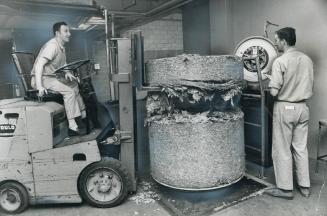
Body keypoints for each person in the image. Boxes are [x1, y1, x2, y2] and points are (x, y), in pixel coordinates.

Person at [265, 27, 314, 199]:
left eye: (277, 40)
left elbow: (273, 92)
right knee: (301, 148)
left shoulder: (280, 61)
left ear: (284, 41)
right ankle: (305, 186)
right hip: (302, 108)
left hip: (285, 108)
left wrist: (270, 77)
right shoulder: (307, 59)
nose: (275, 43)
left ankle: (285, 189)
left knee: (282, 149)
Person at [31, 22, 86, 136]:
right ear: (57, 33)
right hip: (43, 79)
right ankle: (72, 124)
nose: (69, 34)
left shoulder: (61, 47)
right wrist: (40, 86)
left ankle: (81, 116)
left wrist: (67, 72)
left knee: (74, 86)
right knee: (69, 92)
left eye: (69, 31)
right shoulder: (52, 46)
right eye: (66, 31)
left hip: (51, 78)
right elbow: (39, 65)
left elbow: (63, 62)